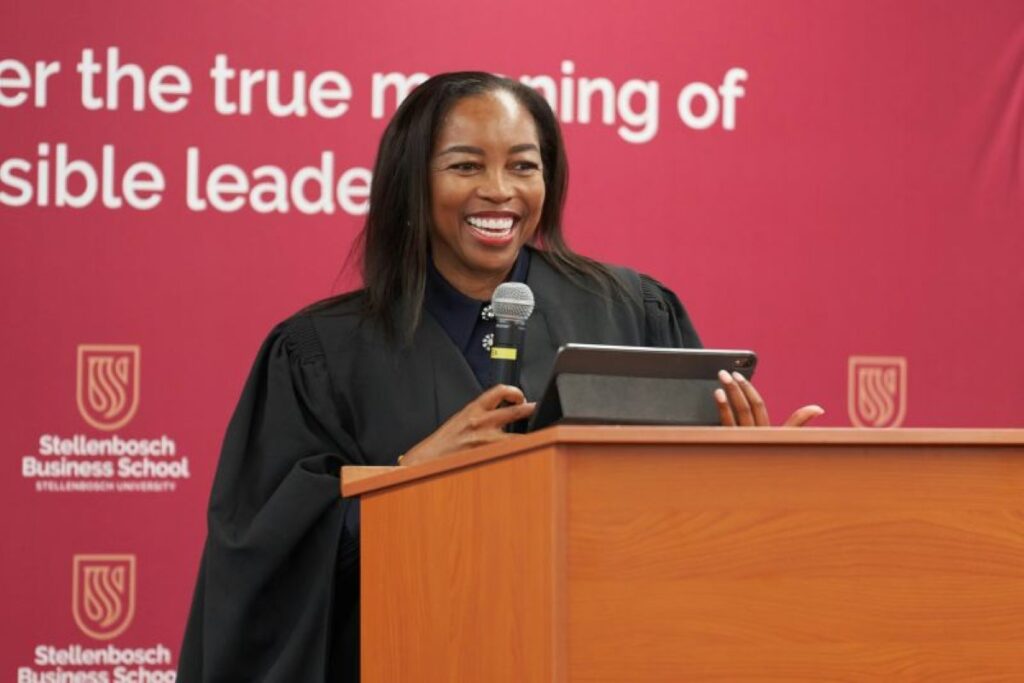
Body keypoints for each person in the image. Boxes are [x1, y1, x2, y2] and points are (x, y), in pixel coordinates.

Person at [177, 71, 822, 682]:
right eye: (465, 165)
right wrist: (407, 483)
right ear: (411, 184)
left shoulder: (628, 313)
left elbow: (684, 526)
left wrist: (751, 478)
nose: (499, 190)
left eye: (522, 165)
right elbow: (262, 562)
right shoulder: (319, 353)